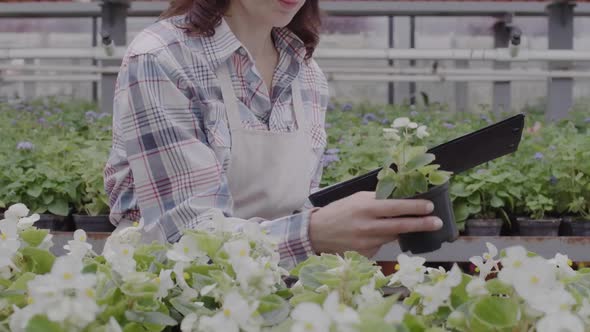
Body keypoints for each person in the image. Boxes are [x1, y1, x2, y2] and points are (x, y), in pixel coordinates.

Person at [104, 0, 443, 269]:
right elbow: (185, 240)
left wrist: (357, 223)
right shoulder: (162, 58)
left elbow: (295, 205)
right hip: (171, 299)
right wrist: (314, 232)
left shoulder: (306, 75)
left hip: (274, 296)